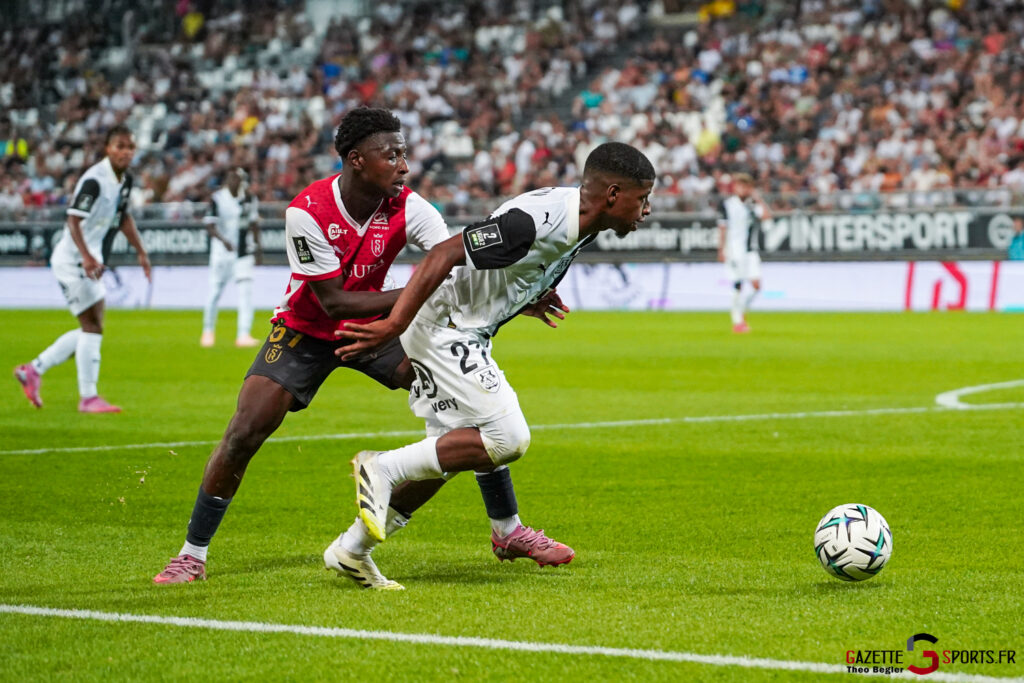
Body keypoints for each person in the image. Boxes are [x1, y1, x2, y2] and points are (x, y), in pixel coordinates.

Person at [154, 108, 569, 589]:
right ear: (356, 160)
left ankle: (507, 530)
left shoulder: (409, 207)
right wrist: (416, 293)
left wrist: (521, 299)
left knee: (467, 412)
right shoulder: (306, 211)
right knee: (245, 430)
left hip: (378, 329)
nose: (404, 166)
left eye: (404, 154)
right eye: (391, 155)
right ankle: (191, 555)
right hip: (305, 330)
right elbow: (332, 302)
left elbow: (457, 271)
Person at [336, 142, 655, 576]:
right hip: (445, 327)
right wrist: (392, 325)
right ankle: (382, 468)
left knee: (447, 457)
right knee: (507, 437)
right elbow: (444, 254)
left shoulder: (585, 217)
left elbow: (509, 264)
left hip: (466, 328)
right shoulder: (534, 223)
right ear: (614, 195)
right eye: (642, 199)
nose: (647, 210)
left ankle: (351, 549)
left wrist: (529, 293)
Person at [13, 125, 151, 413]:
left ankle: (34, 369)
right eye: (120, 146)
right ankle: (87, 397)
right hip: (74, 261)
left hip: (89, 260)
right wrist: (87, 257)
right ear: (108, 149)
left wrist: (141, 251)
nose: (126, 152)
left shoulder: (124, 180)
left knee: (92, 327)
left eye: (130, 147)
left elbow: (123, 217)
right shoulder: (94, 180)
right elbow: (73, 219)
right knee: (92, 326)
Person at [200, 168, 263, 347]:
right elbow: (210, 225)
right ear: (228, 180)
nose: (237, 183)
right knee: (214, 292)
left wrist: (258, 249)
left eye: (240, 179)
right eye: (233, 179)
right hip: (222, 253)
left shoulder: (249, 199)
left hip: (243, 253)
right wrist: (223, 241)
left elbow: (254, 224)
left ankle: (243, 334)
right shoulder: (218, 199)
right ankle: (208, 331)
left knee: (246, 293)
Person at [716, 172, 771, 333]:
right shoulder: (728, 204)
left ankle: (741, 311)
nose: (742, 188)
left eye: (745, 186)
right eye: (739, 185)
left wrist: (758, 198)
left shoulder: (752, 205)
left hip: (751, 251)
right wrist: (721, 250)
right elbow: (722, 228)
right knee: (738, 284)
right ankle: (737, 321)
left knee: (756, 286)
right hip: (734, 250)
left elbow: (767, 216)